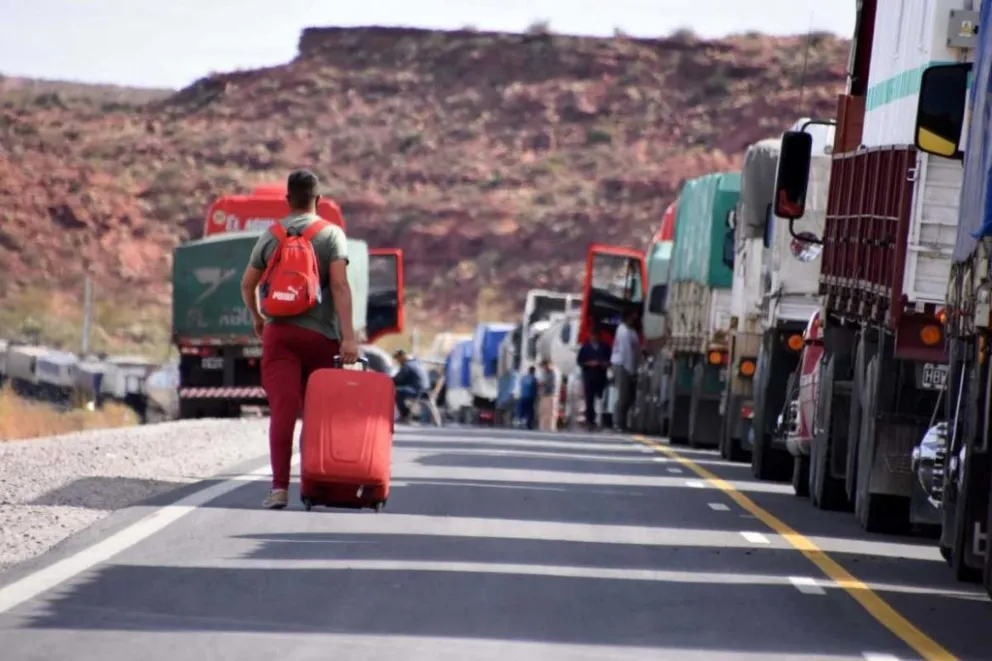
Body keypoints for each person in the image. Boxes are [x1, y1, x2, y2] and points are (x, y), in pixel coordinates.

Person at [240, 169, 358, 510]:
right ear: (318, 200)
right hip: (320, 337)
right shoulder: (332, 234)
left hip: (280, 336)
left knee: (283, 411)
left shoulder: (272, 235)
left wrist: (257, 317)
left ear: (288, 200)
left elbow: (247, 285)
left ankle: (279, 488)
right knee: (316, 413)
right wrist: (348, 339)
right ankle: (311, 483)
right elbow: (339, 286)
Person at [610, 309, 641, 432]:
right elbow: (626, 352)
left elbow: (636, 351)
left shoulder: (631, 331)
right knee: (623, 396)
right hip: (622, 365)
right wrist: (631, 370)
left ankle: (622, 421)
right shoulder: (622, 331)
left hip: (630, 365)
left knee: (630, 397)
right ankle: (618, 423)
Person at [577, 329, 611, 430]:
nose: (594, 337)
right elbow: (580, 361)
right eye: (592, 335)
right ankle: (590, 420)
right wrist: (590, 363)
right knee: (589, 399)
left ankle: (601, 419)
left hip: (601, 375)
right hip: (589, 376)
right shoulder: (585, 347)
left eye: (596, 335)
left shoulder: (605, 347)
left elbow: (610, 360)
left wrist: (604, 363)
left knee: (601, 399)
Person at [393, 349, 430, 422]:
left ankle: (405, 415)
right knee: (400, 390)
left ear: (402, 356)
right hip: (425, 390)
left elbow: (398, 379)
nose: (398, 361)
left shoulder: (407, 365)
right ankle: (407, 414)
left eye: (398, 358)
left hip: (418, 391)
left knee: (396, 392)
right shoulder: (416, 363)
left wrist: (388, 380)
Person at [538, 360, 558, 431]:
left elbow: (547, 382)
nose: (544, 368)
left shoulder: (553, 373)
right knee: (543, 411)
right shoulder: (545, 373)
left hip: (551, 394)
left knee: (551, 412)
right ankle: (543, 427)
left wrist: (542, 383)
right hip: (544, 394)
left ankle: (551, 427)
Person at [518, 365, 538, 430]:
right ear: (534, 371)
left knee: (522, 410)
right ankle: (529, 424)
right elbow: (535, 388)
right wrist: (536, 396)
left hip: (523, 396)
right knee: (530, 411)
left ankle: (521, 422)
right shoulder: (534, 379)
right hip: (530, 397)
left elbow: (521, 386)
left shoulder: (524, 378)